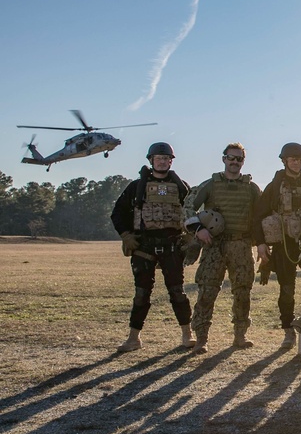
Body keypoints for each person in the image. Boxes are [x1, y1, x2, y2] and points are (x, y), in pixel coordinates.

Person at [110, 142, 193, 352]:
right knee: (141, 294)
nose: (163, 161)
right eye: (159, 158)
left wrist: (191, 237)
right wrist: (126, 235)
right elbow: (118, 214)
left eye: (166, 159)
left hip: (172, 245)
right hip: (143, 246)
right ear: (151, 160)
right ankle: (133, 338)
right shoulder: (136, 188)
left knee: (177, 292)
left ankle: (187, 335)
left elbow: (193, 213)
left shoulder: (181, 187)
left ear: (171, 161)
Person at [185, 143, 262, 353]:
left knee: (242, 291)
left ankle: (240, 335)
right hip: (214, 245)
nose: (235, 162)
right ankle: (201, 338)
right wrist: (198, 228)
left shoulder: (251, 188)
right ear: (224, 159)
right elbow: (187, 206)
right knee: (207, 291)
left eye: (239, 159)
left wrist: (263, 244)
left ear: (243, 162)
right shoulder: (210, 185)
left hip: (241, 245)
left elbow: (261, 215)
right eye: (231, 158)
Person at [254, 142, 301, 349]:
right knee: (287, 290)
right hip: (285, 246)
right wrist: (261, 244)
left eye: (299, 159)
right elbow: (259, 216)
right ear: (284, 160)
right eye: (292, 159)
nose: (296, 162)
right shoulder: (274, 188)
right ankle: (288, 331)